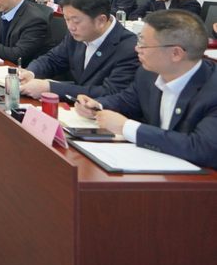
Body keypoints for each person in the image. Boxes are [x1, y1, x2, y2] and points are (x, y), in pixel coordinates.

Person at [75, 10, 217, 168]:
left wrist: (127, 127)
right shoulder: (148, 74)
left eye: (144, 44)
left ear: (176, 53)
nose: (137, 49)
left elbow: (202, 148)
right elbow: (127, 100)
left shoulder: (212, 90)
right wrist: (97, 106)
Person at [20, 0, 139, 99]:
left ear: (101, 20)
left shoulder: (129, 48)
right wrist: (31, 72)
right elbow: (53, 59)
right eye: (67, 20)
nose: (70, 27)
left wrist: (51, 88)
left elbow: (110, 92)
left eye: (76, 21)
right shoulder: (77, 34)